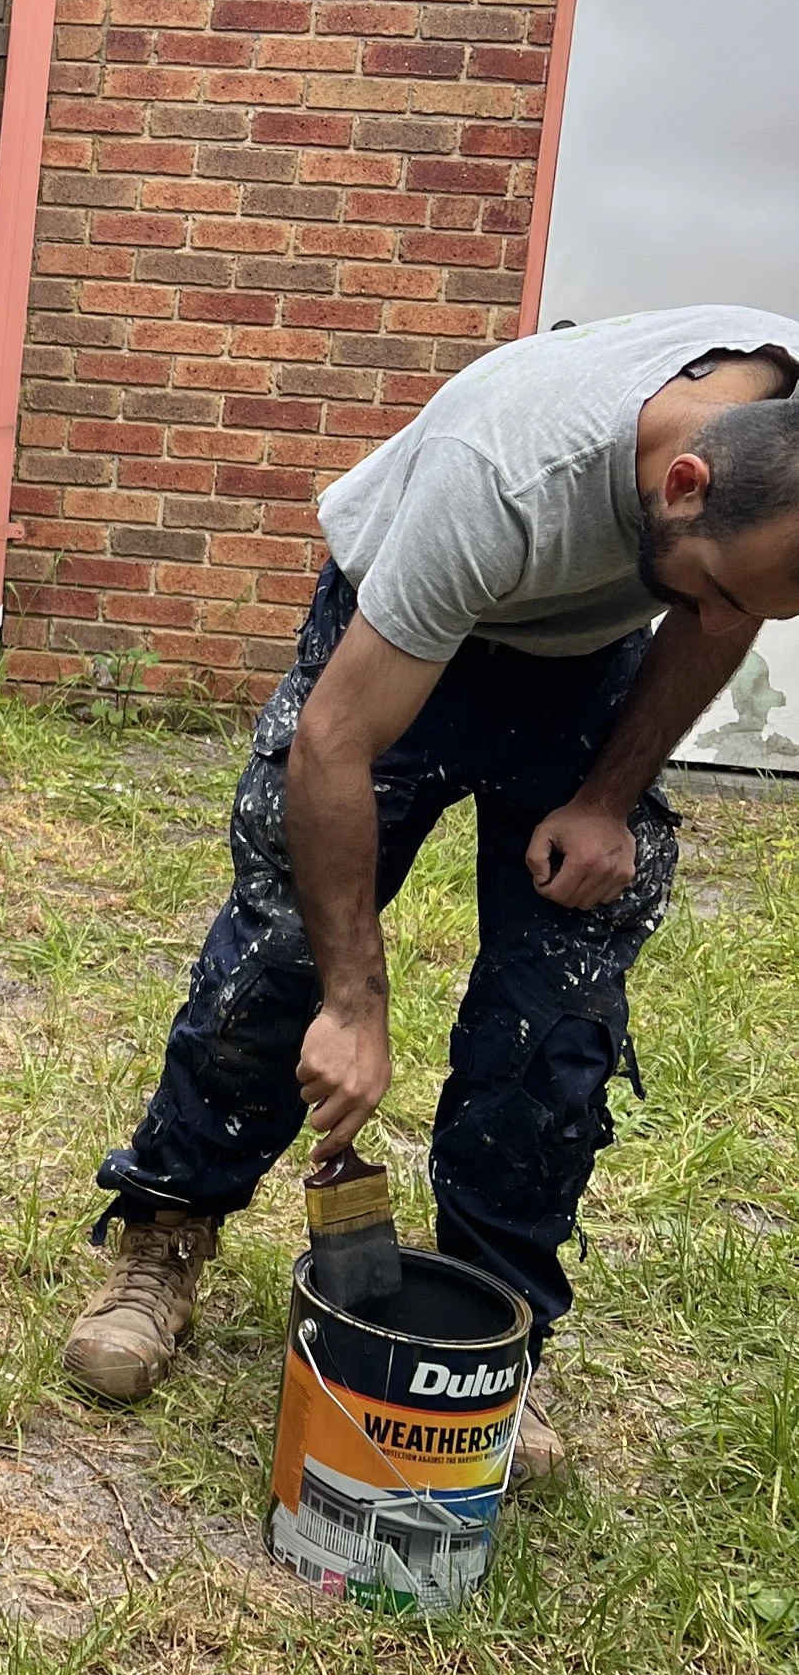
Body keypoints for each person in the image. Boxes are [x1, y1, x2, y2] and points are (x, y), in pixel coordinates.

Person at [60, 307, 799, 1484]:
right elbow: (333, 745)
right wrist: (356, 1005)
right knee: (282, 957)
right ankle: (165, 1230)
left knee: (554, 1022)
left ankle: (492, 1326)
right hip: (402, 626)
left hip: (580, 673)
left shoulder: (773, 444)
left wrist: (608, 795)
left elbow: (730, 604)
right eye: (713, 590)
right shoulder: (501, 475)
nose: (721, 621)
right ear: (684, 481)